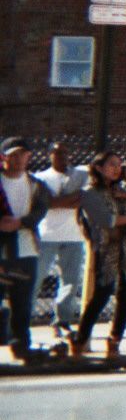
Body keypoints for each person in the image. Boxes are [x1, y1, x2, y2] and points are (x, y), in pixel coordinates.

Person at [72, 151, 126, 360]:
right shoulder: (91, 192)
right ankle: (80, 339)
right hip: (107, 250)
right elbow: (107, 220)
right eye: (111, 165)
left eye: (118, 165)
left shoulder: (122, 190)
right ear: (98, 168)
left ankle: (115, 340)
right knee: (102, 294)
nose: (117, 169)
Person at [1, 137, 51, 364]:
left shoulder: (36, 185)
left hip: (26, 249)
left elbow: (40, 211)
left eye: (24, 155)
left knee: (22, 302)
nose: (19, 159)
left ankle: (21, 347)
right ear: (4, 157)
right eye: (14, 155)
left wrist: (20, 223)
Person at [33, 140, 87, 338]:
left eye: (65, 153)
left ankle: (62, 320)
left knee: (70, 282)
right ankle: (23, 319)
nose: (62, 157)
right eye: (57, 153)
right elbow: (46, 202)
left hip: (74, 235)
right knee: (36, 277)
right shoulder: (41, 177)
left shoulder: (81, 175)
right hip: (46, 235)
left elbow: (85, 198)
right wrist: (67, 199)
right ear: (50, 155)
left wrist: (61, 201)